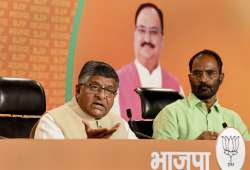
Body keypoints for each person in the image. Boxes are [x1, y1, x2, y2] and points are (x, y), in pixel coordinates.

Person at [153, 49, 250, 140]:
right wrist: (197, 148)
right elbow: (159, 155)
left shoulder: (233, 119)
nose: (203, 79)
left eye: (210, 73)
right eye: (197, 73)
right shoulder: (171, 114)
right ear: (190, 78)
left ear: (221, 78)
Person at [112, 3, 183, 121]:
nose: (147, 39)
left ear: (162, 39)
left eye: (154, 32)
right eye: (142, 30)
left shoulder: (176, 88)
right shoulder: (115, 83)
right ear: (134, 35)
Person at [34, 60, 137, 139]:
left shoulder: (120, 124)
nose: (101, 96)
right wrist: (87, 148)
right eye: (94, 87)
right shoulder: (52, 122)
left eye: (109, 91)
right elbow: (53, 164)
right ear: (78, 90)